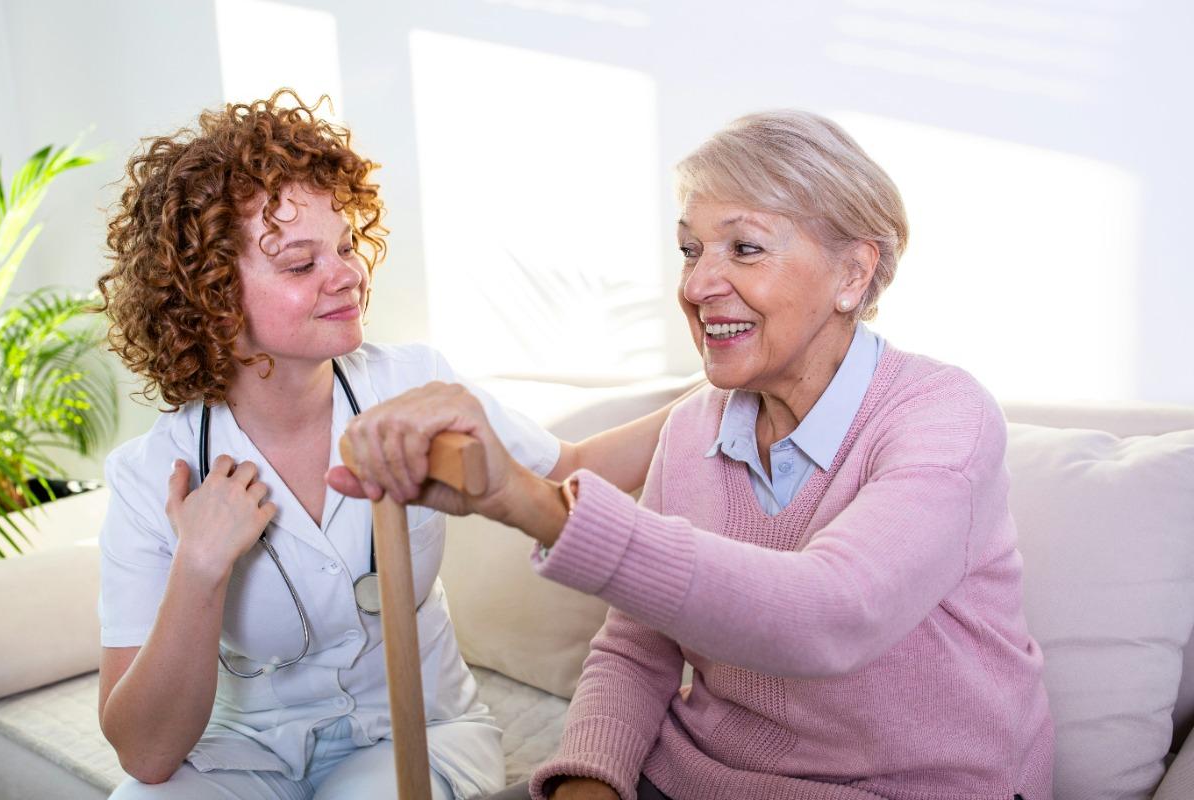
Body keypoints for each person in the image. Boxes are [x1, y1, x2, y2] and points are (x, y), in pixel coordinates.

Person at [332, 110, 1054, 800]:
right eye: (690, 249)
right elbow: (637, 647)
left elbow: (829, 617)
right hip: (701, 775)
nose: (697, 285)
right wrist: (590, 780)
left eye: (743, 248)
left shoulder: (943, 417)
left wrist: (527, 502)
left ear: (852, 275)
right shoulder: (693, 428)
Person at [94, 91, 680, 800]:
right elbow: (146, 755)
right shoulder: (151, 474)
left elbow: (578, 470)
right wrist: (199, 568)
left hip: (418, 731)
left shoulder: (415, 386)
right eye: (300, 264)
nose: (346, 274)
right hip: (242, 755)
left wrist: (722, 390)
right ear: (212, 296)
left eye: (344, 247)